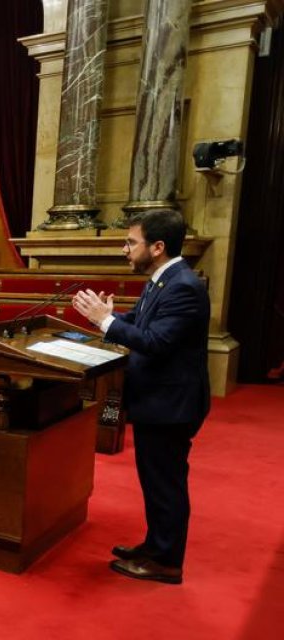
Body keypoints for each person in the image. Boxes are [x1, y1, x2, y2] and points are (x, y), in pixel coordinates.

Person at [71, 209, 210, 585]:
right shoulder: (164, 279)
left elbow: (157, 343)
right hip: (158, 403)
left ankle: (166, 561)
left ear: (158, 247)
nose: (125, 249)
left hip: (171, 406)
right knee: (155, 481)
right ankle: (155, 546)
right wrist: (114, 318)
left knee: (165, 484)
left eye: (132, 242)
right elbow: (142, 321)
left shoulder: (184, 286)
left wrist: (106, 323)